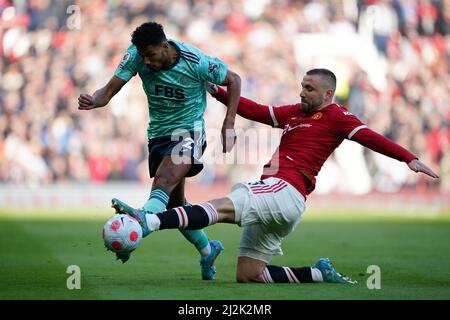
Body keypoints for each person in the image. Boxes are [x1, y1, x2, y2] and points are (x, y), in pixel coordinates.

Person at [113, 68, 438, 284]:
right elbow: (254, 110)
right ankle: (318, 274)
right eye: (301, 87)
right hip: (283, 205)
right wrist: (218, 92)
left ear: (328, 94)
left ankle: (149, 222)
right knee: (248, 274)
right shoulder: (295, 113)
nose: (302, 93)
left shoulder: (338, 116)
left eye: (309, 89)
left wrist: (409, 159)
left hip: (284, 189)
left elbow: (371, 137)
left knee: (221, 206)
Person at [78, 21, 242, 280]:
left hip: (189, 132)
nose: (147, 63)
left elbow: (234, 80)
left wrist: (229, 124)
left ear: (165, 47)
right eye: (143, 57)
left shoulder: (195, 61)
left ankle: (138, 226)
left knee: (162, 183)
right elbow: (107, 92)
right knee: (174, 205)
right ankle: (208, 250)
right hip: (158, 135)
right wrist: (94, 101)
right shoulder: (135, 56)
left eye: (151, 56)